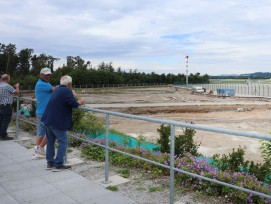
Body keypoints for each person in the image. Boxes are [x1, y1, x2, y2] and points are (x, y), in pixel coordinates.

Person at [41, 75, 84, 171]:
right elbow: (73, 104)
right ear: (69, 84)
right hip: (57, 121)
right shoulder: (66, 90)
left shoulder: (57, 89)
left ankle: (50, 163)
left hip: (49, 119)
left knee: (50, 142)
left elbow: (64, 99)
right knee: (63, 141)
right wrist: (79, 102)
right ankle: (58, 164)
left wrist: (72, 96)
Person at [0, 74, 20, 140]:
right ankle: (3, 135)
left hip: (1, 105)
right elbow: (17, 92)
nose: (9, 80)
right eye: (9, 79)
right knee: (6, 120)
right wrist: (17, 86)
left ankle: (1, 133)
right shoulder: (7, 86)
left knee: (1, 120)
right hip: (7, 105)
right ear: (6, 79)